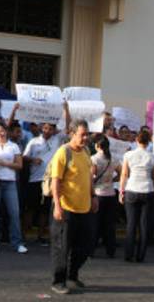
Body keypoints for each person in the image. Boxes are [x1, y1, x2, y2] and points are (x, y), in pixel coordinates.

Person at [49, 120, 97, 296]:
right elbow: (55, 181)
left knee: (86, 245)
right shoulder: (63, 152)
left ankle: (72, 274)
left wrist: (93, 196)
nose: (85, 138)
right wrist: (57, 205)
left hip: (84, 208)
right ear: (72, 133)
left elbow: (89, 177)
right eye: (82, 135)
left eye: (87, 134)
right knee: (62, 248)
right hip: (66, 208)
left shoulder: (86, 151)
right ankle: (58, 281)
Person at [0, 122, 27, 254]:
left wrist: (3, 163)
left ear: (6, 131)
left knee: (14, 213)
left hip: (10, 182)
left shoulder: (13, 146)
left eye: (2, 131)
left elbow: (19, 165)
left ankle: (17, 243)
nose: (0, 134)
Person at [23, 121, 68, 245]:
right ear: (41, 128)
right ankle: (24, 235)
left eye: (50, 129)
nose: (47, 131)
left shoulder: (57, 140)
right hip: (34, 179)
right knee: (30, 208)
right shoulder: (33, 141)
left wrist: (66, 111)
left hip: (49, 181)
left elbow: (68, 128)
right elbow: (24, 156)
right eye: (45, 128)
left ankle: (40, 236)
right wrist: (33, 159)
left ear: (54, 130)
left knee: (45, 210)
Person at [119, 129, 154, 263]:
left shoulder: (128, 155)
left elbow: (124, 174)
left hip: (132, 189)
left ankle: (128, 254)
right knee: (144, 225)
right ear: (148, 142)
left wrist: (121, 191)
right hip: (147, 189)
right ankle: (140, 255)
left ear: (137, 140)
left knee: (131, 223)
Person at [91, 134, 118, 259]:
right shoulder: (113, 159)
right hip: (111, 194)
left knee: (95, 223)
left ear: (97, 146)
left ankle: (91, 249)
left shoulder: (94, 159)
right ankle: (110, 250)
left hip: (98, 194)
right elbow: (123, 172)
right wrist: (112, 180)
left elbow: (91, 178)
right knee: (110, 224)